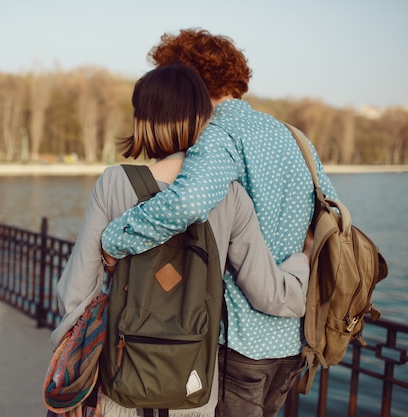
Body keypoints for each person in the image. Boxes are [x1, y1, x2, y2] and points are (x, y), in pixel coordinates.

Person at [100, 29, 340, 417]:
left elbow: (188, 203)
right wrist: (303, 257)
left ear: (190, 83)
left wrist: (116, 238)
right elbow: (334, 216)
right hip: (292, 341)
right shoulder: (294, 138)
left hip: (237, 341)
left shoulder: (216, 134)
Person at [50, 64, 312, 416]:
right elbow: (267, 294)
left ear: (143, 121)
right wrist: (301, 262)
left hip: (121, 377)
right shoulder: (230, 196)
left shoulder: (114, 183)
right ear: (204, 122)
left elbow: (76, 291)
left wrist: (76, 360)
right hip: (194, 387)